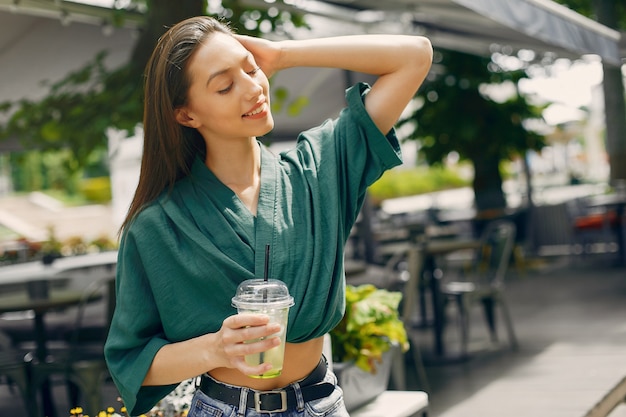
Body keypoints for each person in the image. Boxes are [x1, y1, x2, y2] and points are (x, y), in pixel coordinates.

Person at [104, 15, 432, 417]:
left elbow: (414, 56)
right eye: (225, 86)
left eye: (251, 69)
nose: (253, 89)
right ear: (187, 115)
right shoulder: (158, 225)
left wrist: (282, 54)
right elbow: (133, 360)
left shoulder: (320, 168)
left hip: (321, 404)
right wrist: (215, 348)